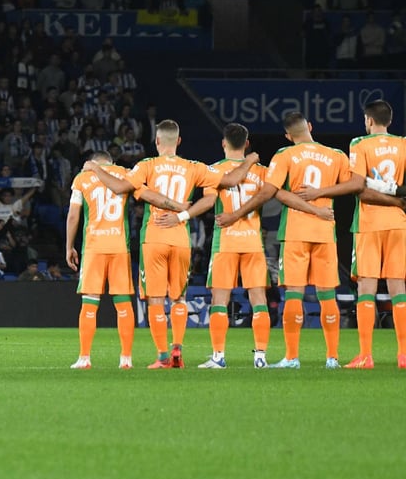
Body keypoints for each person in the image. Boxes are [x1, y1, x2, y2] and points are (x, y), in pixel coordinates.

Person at [85, 119, 257, 369]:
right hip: (180, 238)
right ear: (178, 141)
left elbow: (119, 186)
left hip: (153, 238)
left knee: (155, 300)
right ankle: (178, 349)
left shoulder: (147, 165)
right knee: (179, 298)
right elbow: (228, 183)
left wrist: (95, 168)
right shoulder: (193, 167)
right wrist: (250, 160)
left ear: (156, 141)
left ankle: (163, 356)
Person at [217, 112, 359, 369]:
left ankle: (292, 358)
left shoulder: (284, 155)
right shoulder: (336, 155)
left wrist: (236, 214)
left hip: (295, 232)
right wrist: (321, 195)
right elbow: (353, 186)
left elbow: (268, 192)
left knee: (294, 294)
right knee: (327, 296)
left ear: (287, 135)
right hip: (325, 231)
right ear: (310, 127)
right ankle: (332, 358)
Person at [167, 125, 279, 368]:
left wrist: (183, 214)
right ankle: (260, 357)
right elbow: (272, 197)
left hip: (225, 241)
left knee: (220, 299)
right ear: (247, 144)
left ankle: (218, 357)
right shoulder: (261, 171)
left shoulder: (214, 170)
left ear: (223, 143)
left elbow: (209, 201)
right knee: (258, 298)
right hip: (253, 241)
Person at [345, 100, 406, 368]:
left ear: (369, 120)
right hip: (398, 223)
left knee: (366, 288)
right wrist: (397, 200)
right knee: (398, 289)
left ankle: (365, 355)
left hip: (369, 223)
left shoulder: (360, 143)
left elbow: (358, 188)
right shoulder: (403, 144)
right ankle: (403, 354)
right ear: (389, 121)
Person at [65, 152, 137, 369]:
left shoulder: (82, 177)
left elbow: (73, 216)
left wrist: (69, 246)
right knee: (123, 303)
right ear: (111, 162)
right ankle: (126, 359)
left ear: (94, 162)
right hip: (119, 246)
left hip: (94, 247)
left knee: (89, 301)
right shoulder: (124, 173)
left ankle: (84, 358)